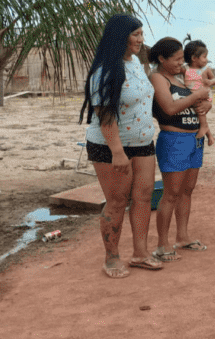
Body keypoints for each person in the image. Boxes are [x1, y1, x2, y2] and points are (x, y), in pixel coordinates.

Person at [79, 14, 163, 277]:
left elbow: (144, 101)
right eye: (135, 34)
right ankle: (111, 258)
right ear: (120, 36)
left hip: (142, 143)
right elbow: (104, 113)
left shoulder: (137, 64)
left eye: (141, 34)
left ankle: (140, 253)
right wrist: (117, 152)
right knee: (117, 201)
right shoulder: (105, 69)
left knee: (143, 197)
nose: (140, 39)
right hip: (111, 147)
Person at [149, 37, 212, 260]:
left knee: (187, 190)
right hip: (174, 140)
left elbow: (196, 103)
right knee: (172, 193)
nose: (180, 63)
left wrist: (206, 104)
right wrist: (197, 96)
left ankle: (182, 237)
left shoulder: (179, 78)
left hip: (194, 140)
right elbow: (169, 107)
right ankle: (162, 245)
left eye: (181, 59)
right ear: (161, 59)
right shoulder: (158, 78)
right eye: (175, 59)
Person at [182, 38, 215, 146]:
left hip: (203, 95)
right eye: (204, 57)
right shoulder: (185, 68)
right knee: (199, 115)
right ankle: (209, 134)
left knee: (199, 110)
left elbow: (214, 79)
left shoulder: (205, 69)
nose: (206, 60)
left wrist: (209, 82)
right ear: (194, 58)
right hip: (192, 95)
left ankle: (205, 129)